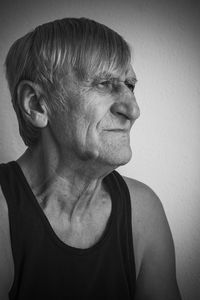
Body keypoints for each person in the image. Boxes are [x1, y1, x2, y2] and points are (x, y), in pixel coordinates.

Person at [0, 17, 182, 300]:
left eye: (130, 85)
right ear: (36, 104)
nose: (133, 110)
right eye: (104, 83)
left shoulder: (143, 210)